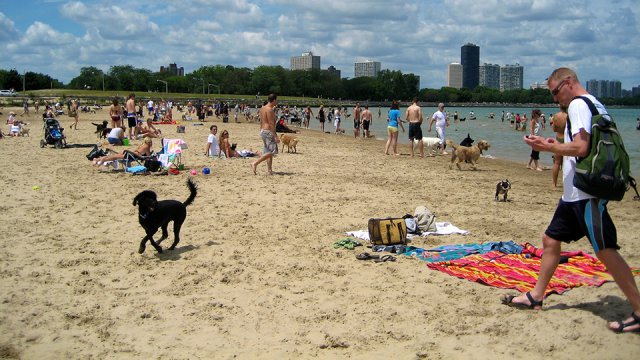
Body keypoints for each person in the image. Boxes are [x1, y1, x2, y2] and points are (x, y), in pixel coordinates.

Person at [513, 67, 640, 334]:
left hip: (586, 195)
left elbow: (581, 148)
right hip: (574, 194)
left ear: (568, 83)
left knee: (605, 250)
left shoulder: (578, 105)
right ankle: (537, 295)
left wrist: (547, 148)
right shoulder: (595, 103)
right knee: (550, 240)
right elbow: (582, 145)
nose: (555, 99)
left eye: (555, 92)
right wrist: (554, 142)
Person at [251, 94, 279, 175]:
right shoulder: (269, 109)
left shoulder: (262, 108)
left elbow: (261, 121)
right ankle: (255, 163)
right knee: (273, 151)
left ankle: (269, 170)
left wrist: (261, 130)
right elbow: (271, 123)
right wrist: (275, 135)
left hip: (263, 130)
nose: (276, 102)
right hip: (268, 131)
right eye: (276, 100)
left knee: (267, 151)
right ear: (273, 100)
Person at [550, 109, 567, 188]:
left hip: (559, 138)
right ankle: (567, 182)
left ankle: (554, 183)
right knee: (568, 163)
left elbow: (554, 129)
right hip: (568, 139)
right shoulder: (569, 115)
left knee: (557, 162)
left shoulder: (557, 116)